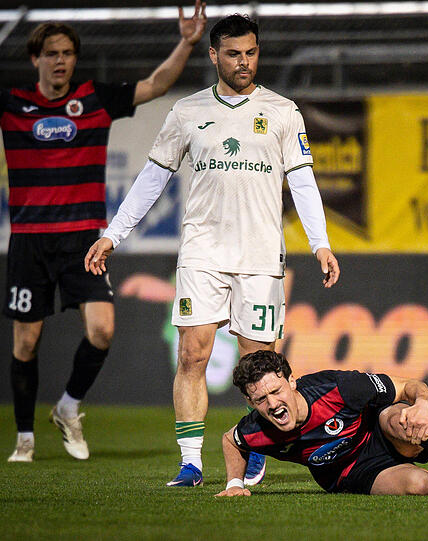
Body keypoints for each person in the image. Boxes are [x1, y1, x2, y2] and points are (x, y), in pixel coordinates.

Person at [84, 14, 341, 488]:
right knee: (191, 355)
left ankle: (257, 449)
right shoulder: (186, 112)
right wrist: (112, 234)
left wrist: (320, 243)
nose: (244, 62)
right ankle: (191, 462)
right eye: (233, 54)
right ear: (213, 55)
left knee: (259, 367)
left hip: (262, 256)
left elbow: (302, 182)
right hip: (202, 251)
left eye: (251, 52)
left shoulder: (284, 112)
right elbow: (153, 178)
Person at [4, 1, 208, 463]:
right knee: (26, 342)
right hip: (30, 242)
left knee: (102, 330)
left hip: (83, 239)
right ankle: (24, 438)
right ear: (35, 58)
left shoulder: (94, 100)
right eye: (52, 52)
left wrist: (187, 42)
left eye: (68, 53)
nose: (60, 60)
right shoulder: (12, 103)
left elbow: (155, 85)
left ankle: (68, 408)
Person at [215, 350, 428, 496]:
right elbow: (232, 440)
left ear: (292, 381)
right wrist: (234, 485)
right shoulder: (257, 428)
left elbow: (409, 386)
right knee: (420, 486)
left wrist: (424, 405)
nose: (273, 404)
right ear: (250, 403)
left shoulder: (338, 388)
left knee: (403, 417)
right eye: (261, 400)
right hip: (349, 475)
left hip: (379, 432)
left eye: (276, 391)